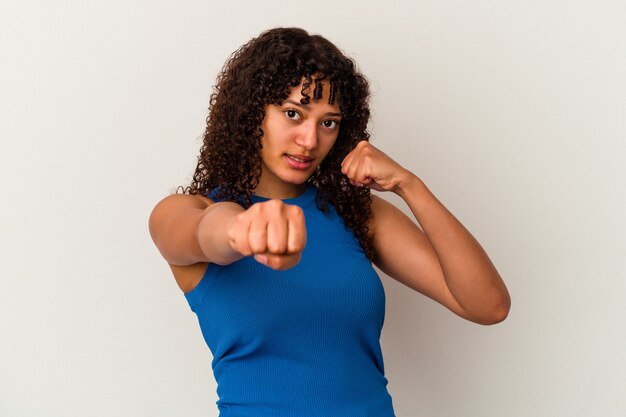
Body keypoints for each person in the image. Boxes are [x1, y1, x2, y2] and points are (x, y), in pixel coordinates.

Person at [149, 27, 510, 417]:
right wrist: (242, 229)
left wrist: (410, 185)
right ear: (251, 113)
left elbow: (487, 306)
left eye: (328, 122)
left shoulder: (356, 212)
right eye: (293, 114)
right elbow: (204, 233)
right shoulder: (186, 210)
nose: (309, 140)